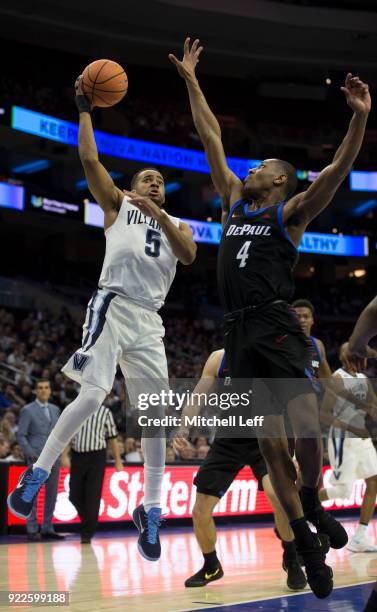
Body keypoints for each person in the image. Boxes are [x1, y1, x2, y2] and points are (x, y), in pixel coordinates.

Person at [170, 37, 371, 598]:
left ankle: (311, 507)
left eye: (261, 165)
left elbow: (336, 170)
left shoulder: (291, 211)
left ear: (280, 179)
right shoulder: (234, 199)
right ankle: (308, 544)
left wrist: (358, 120)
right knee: (268, 447)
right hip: (236, 330)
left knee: (305, 422)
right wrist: (191, 81)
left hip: (275, 321)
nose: (249, 167)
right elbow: (210, 134)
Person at [8, 76, 197, 562]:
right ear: (132, 187)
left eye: (159, 179)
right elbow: (91, 161)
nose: (154, 181)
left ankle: (151, 511)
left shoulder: (175, 224)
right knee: (92, 394)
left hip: (151, 322)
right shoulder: (119, 205)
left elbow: (191, 255)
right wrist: (84, 110)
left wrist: (159, 215)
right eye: (146, 178)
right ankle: (41, 472)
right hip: (112, 305)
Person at [173, 349, 307, 591]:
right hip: (229, 437)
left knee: (278, 496)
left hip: (266, 435)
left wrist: (295, 452)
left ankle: (291, 556)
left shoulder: (268, 355)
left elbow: (294, 406)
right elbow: (197, 398)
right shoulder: (218, 358)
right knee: (200, 509)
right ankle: (211, 565)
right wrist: (184, 428)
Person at [318, 345, 377, 552]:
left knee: (374, 481)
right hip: (343, 438)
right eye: (347, 351)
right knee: (343, 491)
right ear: (342, 355)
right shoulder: (338, 378)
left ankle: (360, 537)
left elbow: (373, 406)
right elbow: (324, 415)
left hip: (362, 438)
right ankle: (301, 505)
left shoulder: (363, 379)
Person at [62, 404, 123, 544]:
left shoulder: (105, 412)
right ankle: (90, 523)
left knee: (92, 495)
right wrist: (64, 455)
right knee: (74, 495)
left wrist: (118, 460)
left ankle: (87, 533)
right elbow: (68, 434)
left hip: (97, 456)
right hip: (77, 455)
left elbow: (113, 438)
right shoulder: (75, 410)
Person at [16, 379, 64, 541]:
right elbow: (21, 434)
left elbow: (59, 433)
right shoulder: (27, 410)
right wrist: (30, 453)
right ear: (36, 391)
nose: (44, 390)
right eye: (40, 388)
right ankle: (31, 529)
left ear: (50, 390)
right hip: (36, 458)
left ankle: (47, 528)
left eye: (46, 387)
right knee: (32, 494)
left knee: (52, 495)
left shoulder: (55, 409)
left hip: (54, 458)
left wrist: (62, 454)